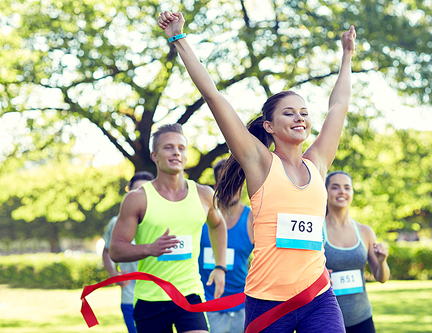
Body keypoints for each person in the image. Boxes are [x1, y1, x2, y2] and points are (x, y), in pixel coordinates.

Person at [157, 11, 355, 332]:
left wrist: (346, 56)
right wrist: (179, 38)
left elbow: (339, 106)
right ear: (269, 126)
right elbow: (213, 95)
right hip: (267, 300)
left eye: (304, 113)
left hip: (316, 295)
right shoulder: (259, 162)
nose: (299, 118)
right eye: (289, 113)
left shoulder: (317, 163)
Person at [109, 123, 227, 333]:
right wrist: (149, 249)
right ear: (154, 155)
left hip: (189, 293)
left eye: (181, 148)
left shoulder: (204, 195)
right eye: (169, 147)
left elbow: (218, 225)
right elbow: (116, 250)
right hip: (150, 297)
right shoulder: (137, 199)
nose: (176, 153)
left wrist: (220, 266)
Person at [323, 171, 390, 333]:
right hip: (327, 319)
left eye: (347, 187)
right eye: (335, 187)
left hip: (362, 318)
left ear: (352, 192)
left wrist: (382, 261)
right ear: (325, 192)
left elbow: (382, 278)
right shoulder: (316, 229)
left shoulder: (365, 231)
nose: (342, 192)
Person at [198, 159, 254, 333]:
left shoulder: (253, 218)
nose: (231, 187)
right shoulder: (201, 215)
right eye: (225, 181)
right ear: (216, 185)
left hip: (241, 303)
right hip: (205, 303)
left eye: (236, 181)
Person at [102, 171, 155, 333]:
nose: (141, 195)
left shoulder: (160, 223)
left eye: (146, 190)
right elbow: (106, 251)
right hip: (130, 297)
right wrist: (113, 274)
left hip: (159, 297)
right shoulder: (116, 223)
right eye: (136, 191)